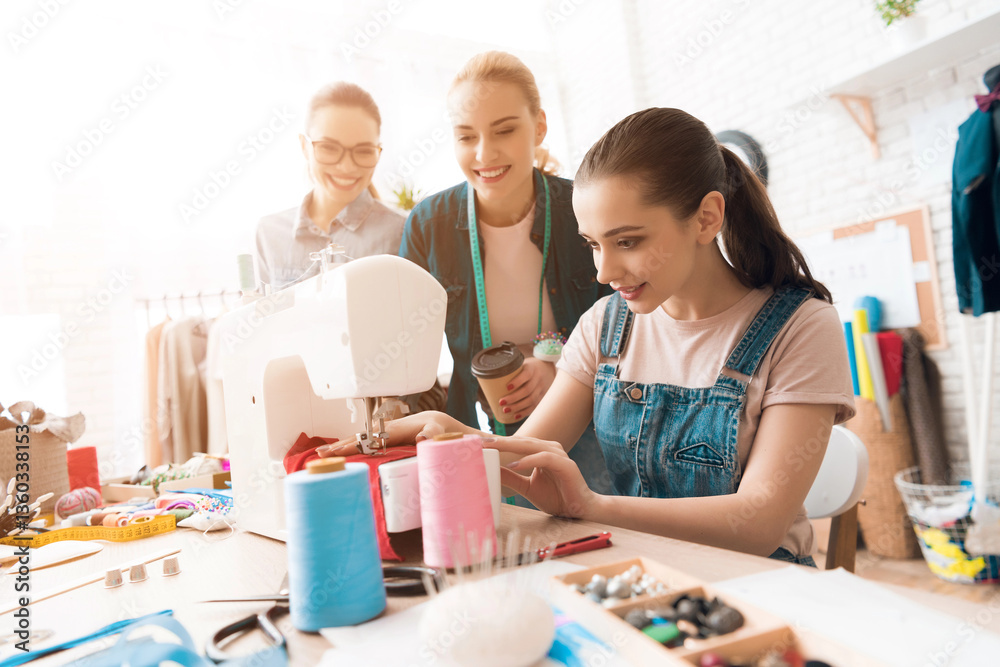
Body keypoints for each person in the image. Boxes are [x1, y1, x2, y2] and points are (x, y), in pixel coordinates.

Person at [323, 107, 855, 565]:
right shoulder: (607, 325)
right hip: (639, 570)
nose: (604, 270)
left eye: (627, 241)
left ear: (706, 217)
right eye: (593, 244)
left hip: (762, 587)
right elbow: (531, 451)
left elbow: (759, 521)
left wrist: (593, 507)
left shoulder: (800, 328)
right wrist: (455, 434)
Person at [393, 51, 614, 493]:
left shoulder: (583, 208)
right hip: (475, 423)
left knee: (594, 537)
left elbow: (632, 325)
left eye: (505, 130)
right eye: (465, 136)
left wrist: (558, 369)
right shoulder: (427, 225)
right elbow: (401, 347)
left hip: (588, 418)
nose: (484, 153)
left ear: (539, 127)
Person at [254, 82, 404, 291]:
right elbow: (262, 319)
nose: (346, 166)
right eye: (329, 148)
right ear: (304, 146)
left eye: (363, 151)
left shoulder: (401, 232)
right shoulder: (270, 233)